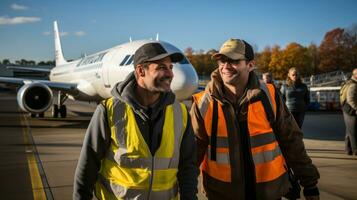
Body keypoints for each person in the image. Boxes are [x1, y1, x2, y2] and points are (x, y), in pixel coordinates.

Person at [191, 38, 320, 200]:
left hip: (268, 192)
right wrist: (187, 190)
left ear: (251, 65)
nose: (225, 66)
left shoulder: (269, 96)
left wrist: (309, 183)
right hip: (222, 193)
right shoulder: (203, 103)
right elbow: (192, 151)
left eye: (234, 61)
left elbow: (291, 140)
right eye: (222, 60)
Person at [73, 42, 198, 199]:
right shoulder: (109, 111)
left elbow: (188, 167)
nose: (170, 74)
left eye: (170, 67)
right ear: (140, 71)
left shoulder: (180, 113)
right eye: (161, 68)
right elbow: (87, 167)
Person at [341, 68, 357, 155]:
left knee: (349, 130)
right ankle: (355, 150)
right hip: (350, 110)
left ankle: (348, 149)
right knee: (354, 132)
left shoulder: (348, 82)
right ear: (355, 75)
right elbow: (351, 100)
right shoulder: (354, 85)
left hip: (346, 109)